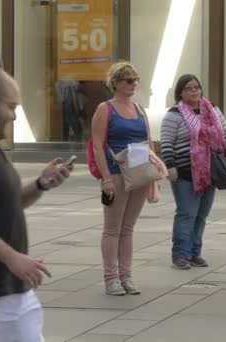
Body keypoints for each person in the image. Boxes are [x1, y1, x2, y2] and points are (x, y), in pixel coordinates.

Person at [0, 65, 72, 341]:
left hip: (13, 288)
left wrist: (40, 184)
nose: (13, 116)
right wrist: (11, 257)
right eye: (11, 106)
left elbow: (6, 204)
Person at [160, 74, 226, 270]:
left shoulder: (212, 109)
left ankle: (195, 253)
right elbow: (166, 143)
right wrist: (170, 166)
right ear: (180, 93)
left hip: (210, 172)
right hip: (185, 174)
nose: (193, 91)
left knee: (201, 215)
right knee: (187, 214)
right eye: (188, 88)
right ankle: (180, 255)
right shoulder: (174, 114)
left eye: (196, 87)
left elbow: (224, 134)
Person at [91, 61, 151, 296]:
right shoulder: (105, 109)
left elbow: (148, 144)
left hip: (138, 172)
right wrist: (106, 178)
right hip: (116, 173)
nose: (133, 84)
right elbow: (97, 145)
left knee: (128, 228)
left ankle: (126, 276)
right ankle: (111, 278)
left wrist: (152, 178)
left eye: (136, 80)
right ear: (115, 83)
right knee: (112, 229)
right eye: (128, 80)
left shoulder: (140, 109)